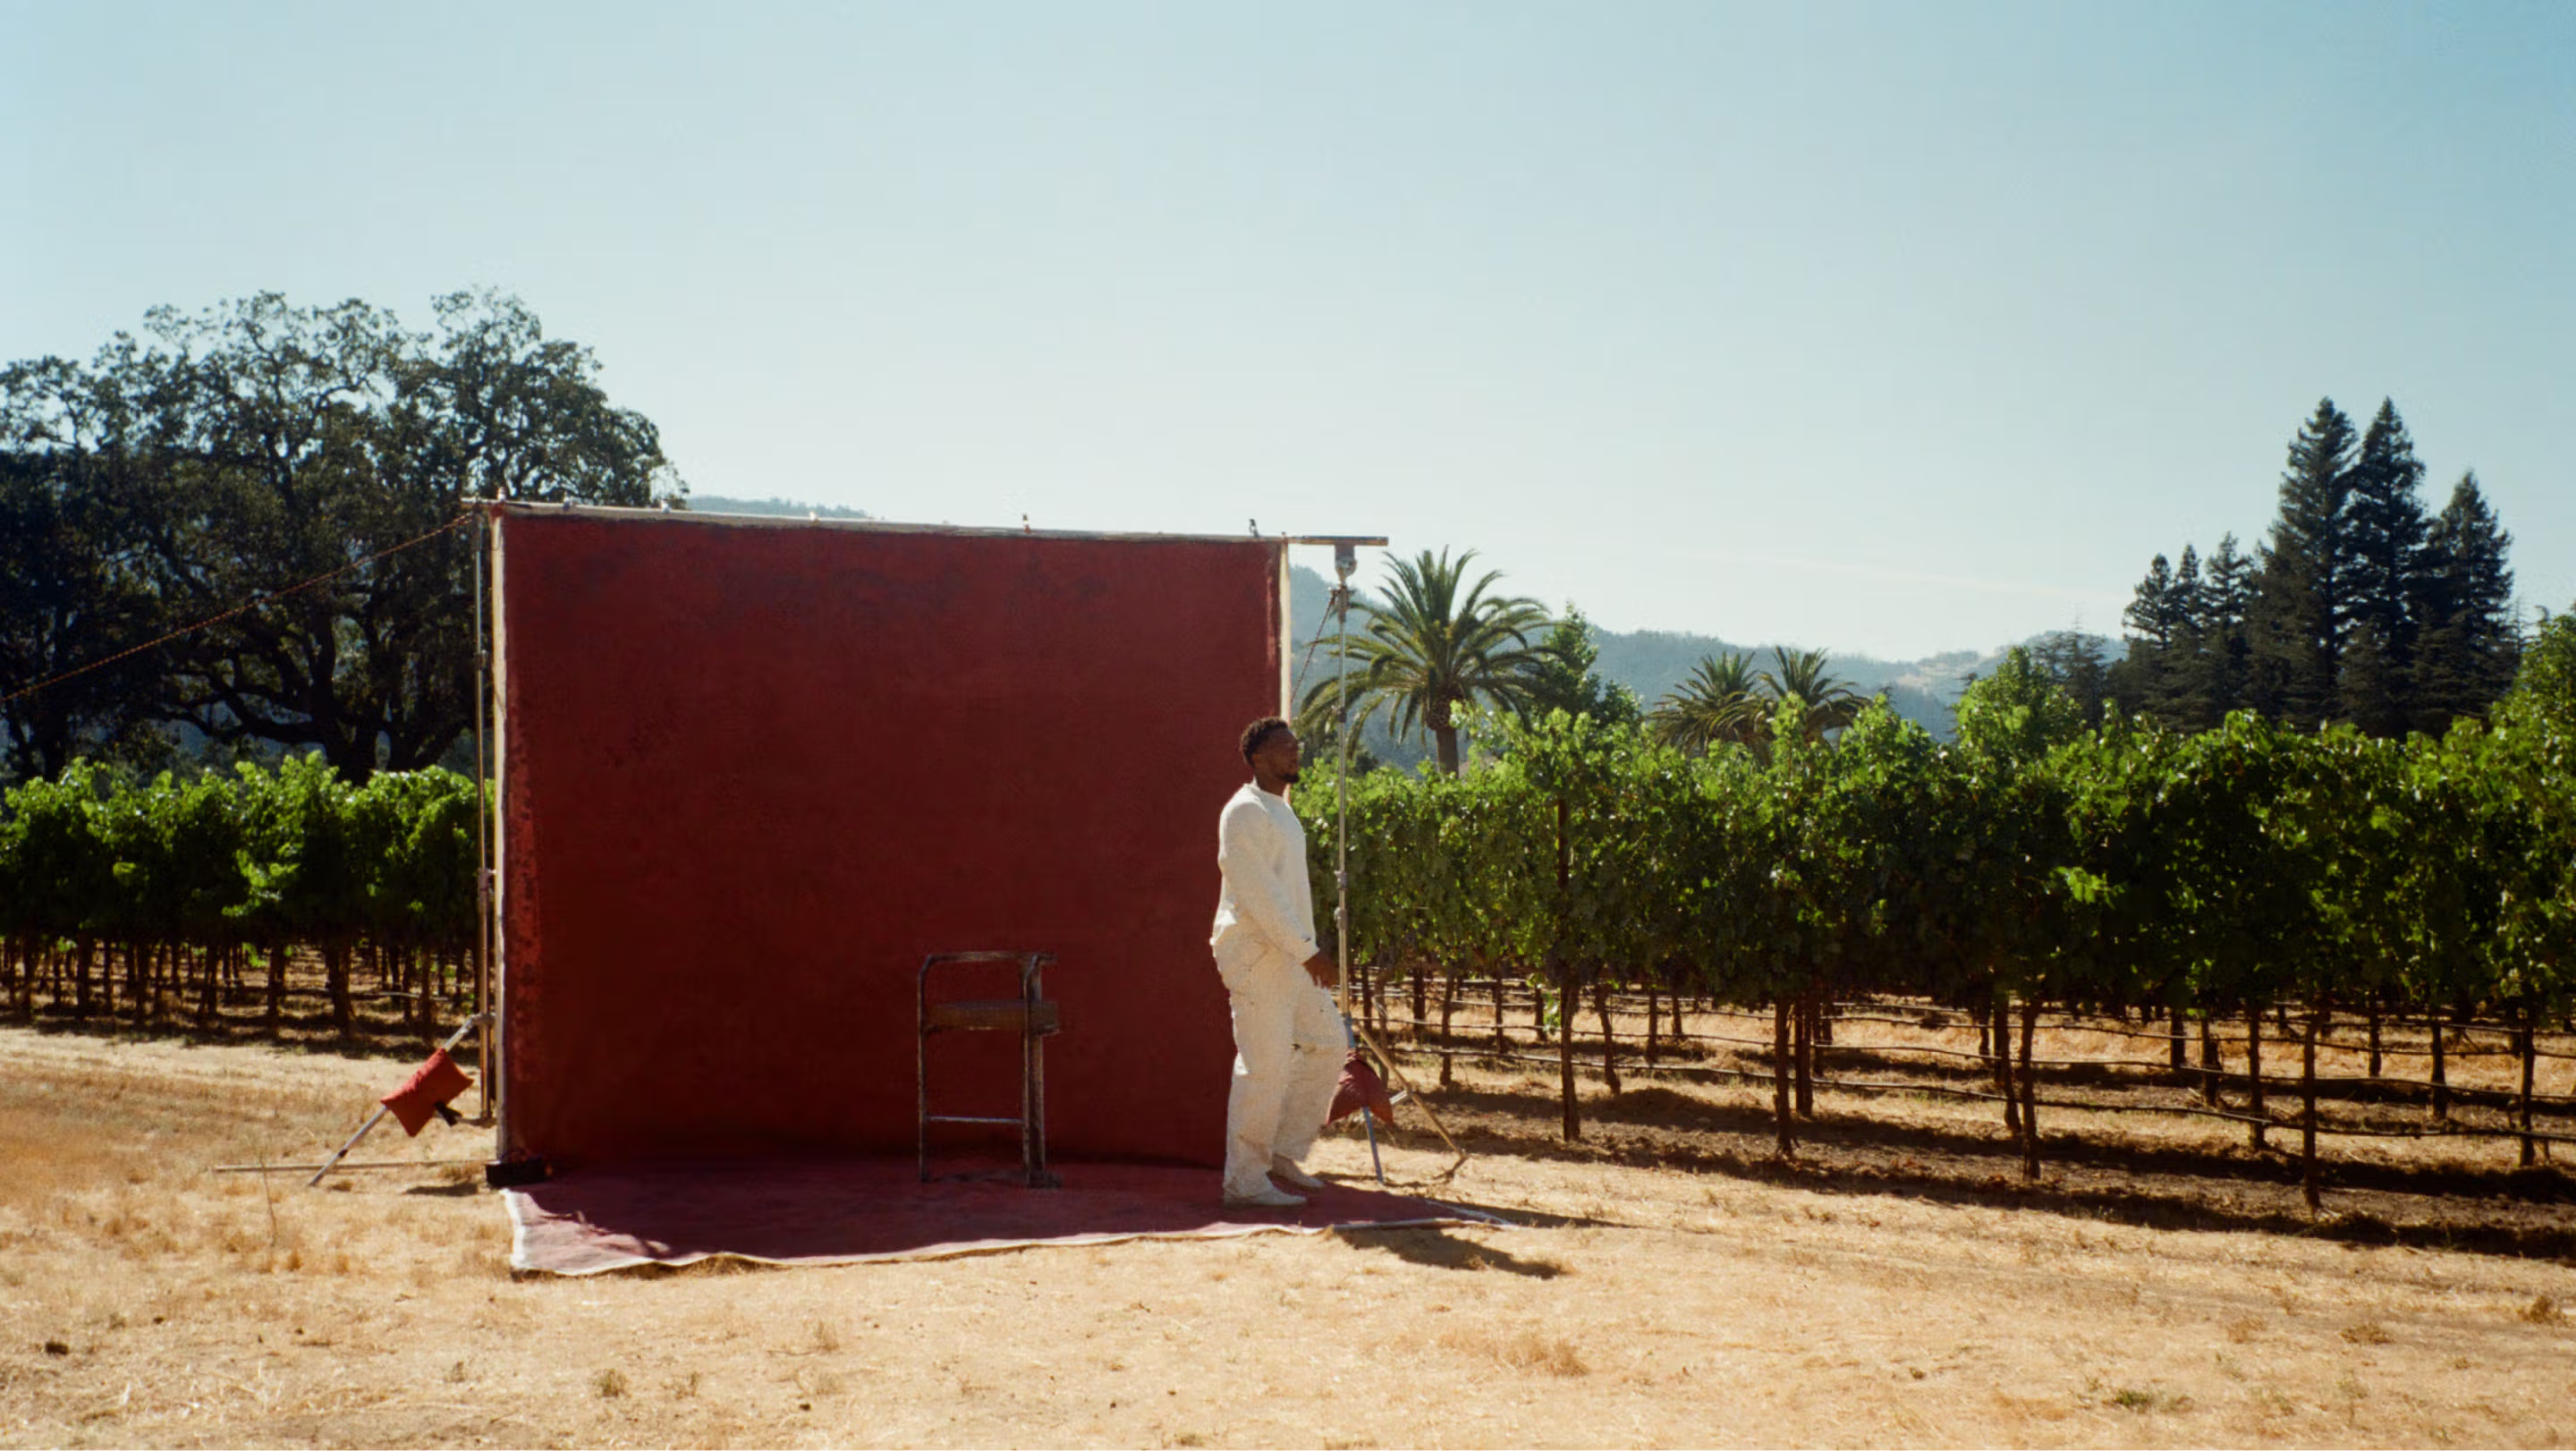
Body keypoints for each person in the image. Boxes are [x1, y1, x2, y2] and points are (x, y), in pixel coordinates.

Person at [1209, 716, 1343, 1208]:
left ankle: (1283, 1152)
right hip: (1258, 956)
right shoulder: (1244, 813)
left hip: (1290, 955)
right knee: (1263, 1067)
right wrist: (1309, 952)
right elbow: (1261, 896)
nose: (1296, 754)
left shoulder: (1283, 812)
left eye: (1297, 747)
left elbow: (1284, 895)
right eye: (1285, 749)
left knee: (1329, 1044)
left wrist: (1303, 949)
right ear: (1258, 758)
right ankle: (1244, 1180)